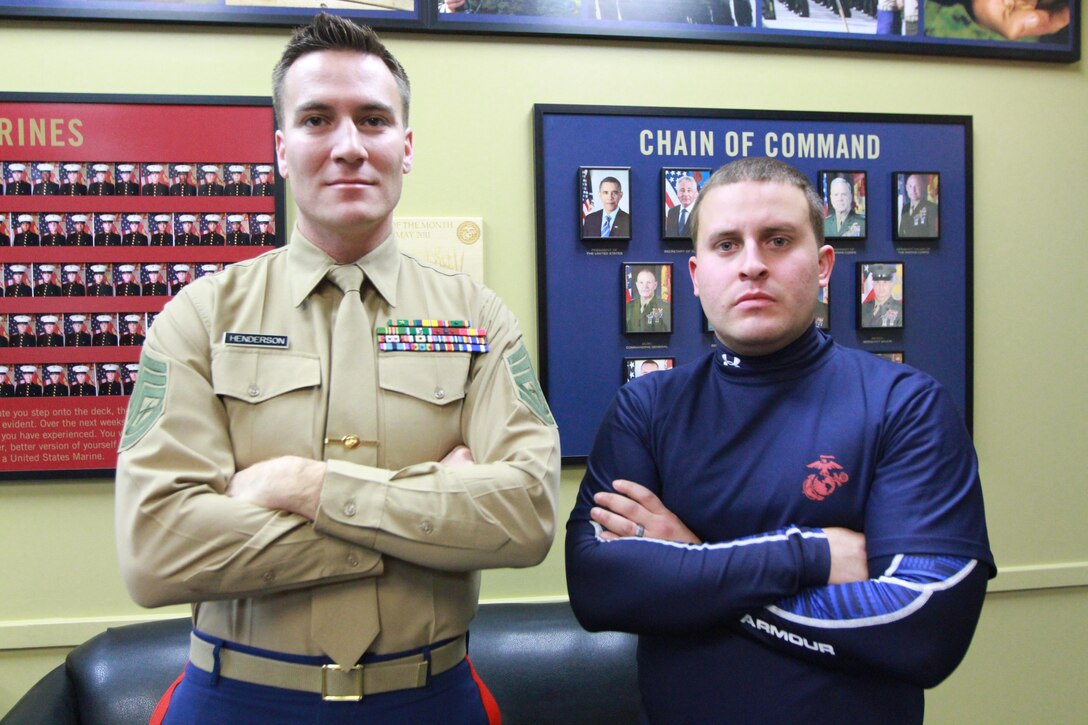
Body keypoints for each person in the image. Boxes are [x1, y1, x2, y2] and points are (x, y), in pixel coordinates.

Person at [115, 14, 560, 724]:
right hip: (240, 701)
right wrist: (425, 517)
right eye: (318, 119)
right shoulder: (198, 318)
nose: (349, 146)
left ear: (406, 147)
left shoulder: (477, 320)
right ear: (283, 149)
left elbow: (529, 514)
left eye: (374, 120)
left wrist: (304, 486)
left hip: (430, 698)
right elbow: (155, 548)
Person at [566, 157, 993, 725]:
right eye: (725, 245)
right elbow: (599, 588)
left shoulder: (904, 404)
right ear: (694, 276)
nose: (751, 265)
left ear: (822, 265)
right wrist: (806, 555)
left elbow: (923, 628)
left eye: (777, 240)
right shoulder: (646, 408)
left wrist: (691, 565)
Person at [624, 267, 671, 333]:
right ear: (637, 285)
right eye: (641, 282)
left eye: (648, 282)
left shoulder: (666, 307)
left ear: (655, 285)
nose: (645, 286)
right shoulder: (628, 306)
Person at [861, 264, 903, 328]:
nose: (881, 287)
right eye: (877, 282)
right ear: (873, 285)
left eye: (885, 282)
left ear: (891, 285)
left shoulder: (900, 309)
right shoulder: (863, 307)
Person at [898, 173, 938, 238]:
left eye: (917, 186)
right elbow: (901, 234)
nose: (913, 190)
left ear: (923, 187)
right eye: (910, 186)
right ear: (906, 188)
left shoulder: (931, 208)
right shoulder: (905, 208)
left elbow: (933, 235)